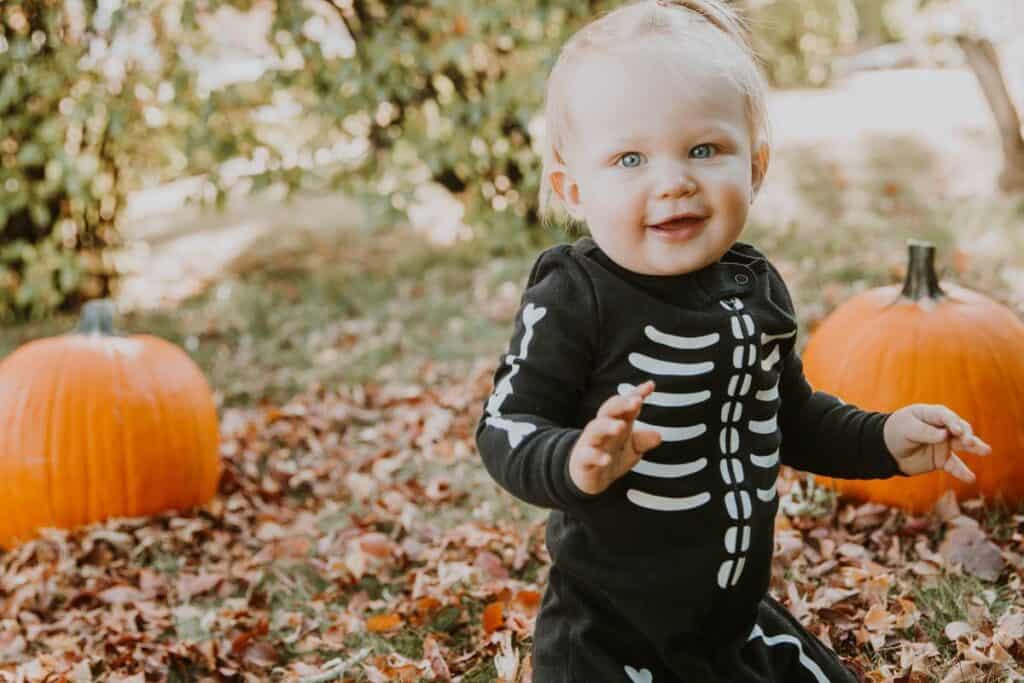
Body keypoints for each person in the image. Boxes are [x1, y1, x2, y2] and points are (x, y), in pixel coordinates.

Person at [474, 0, 992, 681]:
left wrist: (885, 436)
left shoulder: (755, 286)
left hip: (730, 625)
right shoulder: (575, 294)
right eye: (630, 157)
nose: (674, 180)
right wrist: (572, 459)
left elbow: (792, 416)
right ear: (573, 188)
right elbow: (503, 425)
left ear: (755, 165)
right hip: (608, 642)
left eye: (704, 149)